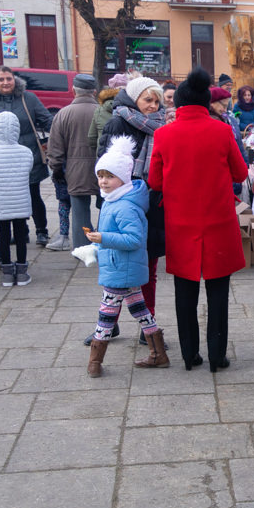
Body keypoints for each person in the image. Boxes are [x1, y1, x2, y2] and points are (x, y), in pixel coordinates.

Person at [149, 67, 248, 373]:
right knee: (219, 294)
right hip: (218, 221)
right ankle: (218, 356)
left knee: (185, 293)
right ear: (207, 101)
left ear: (177, 104)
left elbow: (154, 181)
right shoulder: (221, 131)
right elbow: (241, 173)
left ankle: (190, 354)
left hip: (181, 223)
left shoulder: (163, 134)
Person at [85, 136, 168, 377]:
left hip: (121, 268)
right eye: (100, 176)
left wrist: (103, 239)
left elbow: (134, 239)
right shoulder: (114, 199)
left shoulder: (125, 205)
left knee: (106, 316)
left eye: (109, 176)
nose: (103, 181)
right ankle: (159, 354)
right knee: (141, 311)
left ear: (123, 178)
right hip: (122, 267)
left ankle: (94, 363)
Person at [93, 76, 166, 347]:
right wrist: (106, 204)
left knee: (148, 267)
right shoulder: (117, 123)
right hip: (121, 206)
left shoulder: (161, 126)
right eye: (148, 99)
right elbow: (103, 167)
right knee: (116, 268)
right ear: (134, 98)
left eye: (157, 100)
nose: (153, 105)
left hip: (152, 203)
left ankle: (149, 329)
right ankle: (109, 325)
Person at [0, 66, 53, 246]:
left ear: (15, 79)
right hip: (1, 159)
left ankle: (42, 231)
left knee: (33, 194)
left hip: (28, 157)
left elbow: (47, 120)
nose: (5, 82)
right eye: (1, 79)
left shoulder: (28, 98)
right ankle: (21, 232)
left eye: (8, 78)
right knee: (9, 198)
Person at [47, 74, 99, 251]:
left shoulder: (63, 114)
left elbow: (55, 148)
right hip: (104, 168)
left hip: (75, 169)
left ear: (73, 90)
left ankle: (83, 248)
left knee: (79, 211)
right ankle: (104, 244)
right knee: (107, 208)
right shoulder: (103, 112)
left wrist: (56, 169)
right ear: (94, 91)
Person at [0, 111, 33, 286]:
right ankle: (22, 272)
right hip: (20, 201)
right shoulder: (26, 152)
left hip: (0, 202)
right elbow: (28, 171)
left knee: (4, 235)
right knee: (20, 235)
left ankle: (7, 274)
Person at [210, 86, 249, 166]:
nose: (225, 110)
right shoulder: (209, 122)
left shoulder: (230, 120)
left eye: (226, 107)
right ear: (212, 103)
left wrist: (245, 164)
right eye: (223, 106)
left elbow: (239, 146)